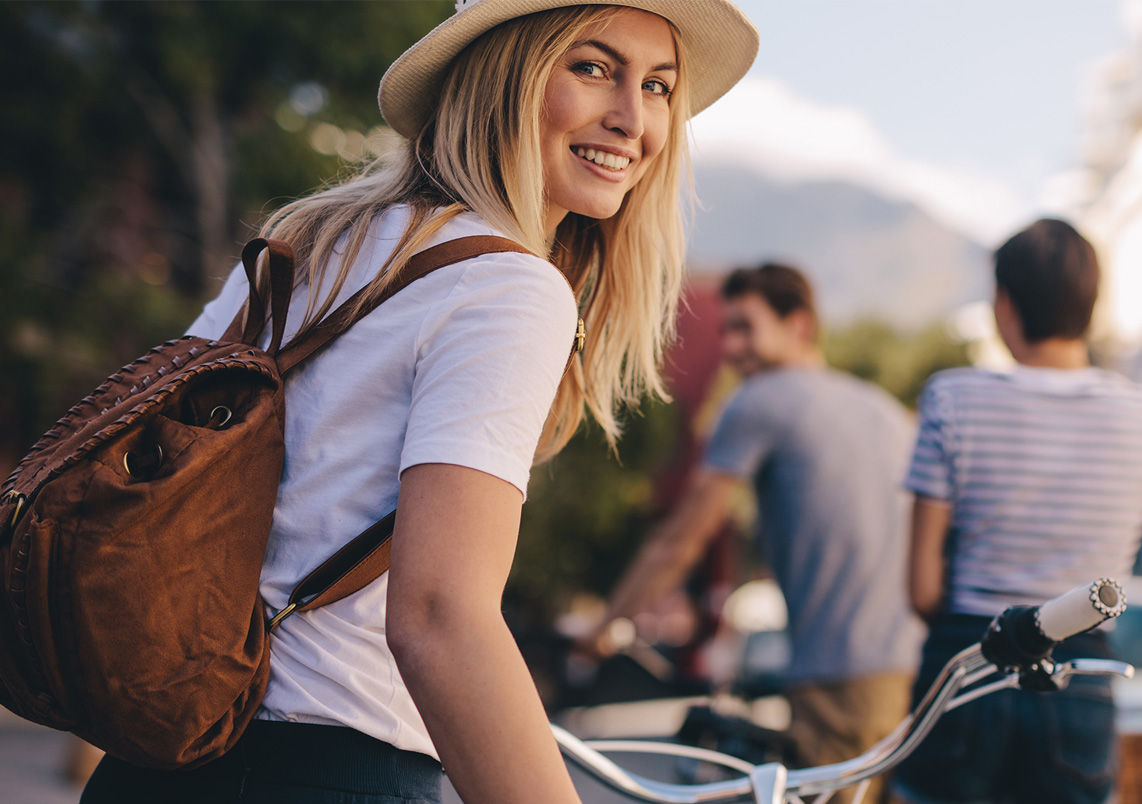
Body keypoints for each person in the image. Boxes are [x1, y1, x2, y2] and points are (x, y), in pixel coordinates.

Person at [77, 2, 759, 803]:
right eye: (592, 68)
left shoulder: (306, 240)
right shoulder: (510, 288)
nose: (631, 119)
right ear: (504, 74)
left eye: (657, 86)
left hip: (157, 762)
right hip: (332, 766)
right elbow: (439, 617)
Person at [585, 262, 925, 803]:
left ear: (800, 326)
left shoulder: (758, 400)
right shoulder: (882, 408)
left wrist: (601, 630)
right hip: (913, 674)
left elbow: (682, 539)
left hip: (839, 679)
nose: (731, 346)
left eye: (746, 327)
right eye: (726, 329)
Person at [892, 218, 1142, 804]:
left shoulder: (952, 397)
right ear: (1092, 306)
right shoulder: (1136, 418)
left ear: (1003, 305)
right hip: (1081, 668)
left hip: (968, 661)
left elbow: (922, 587)